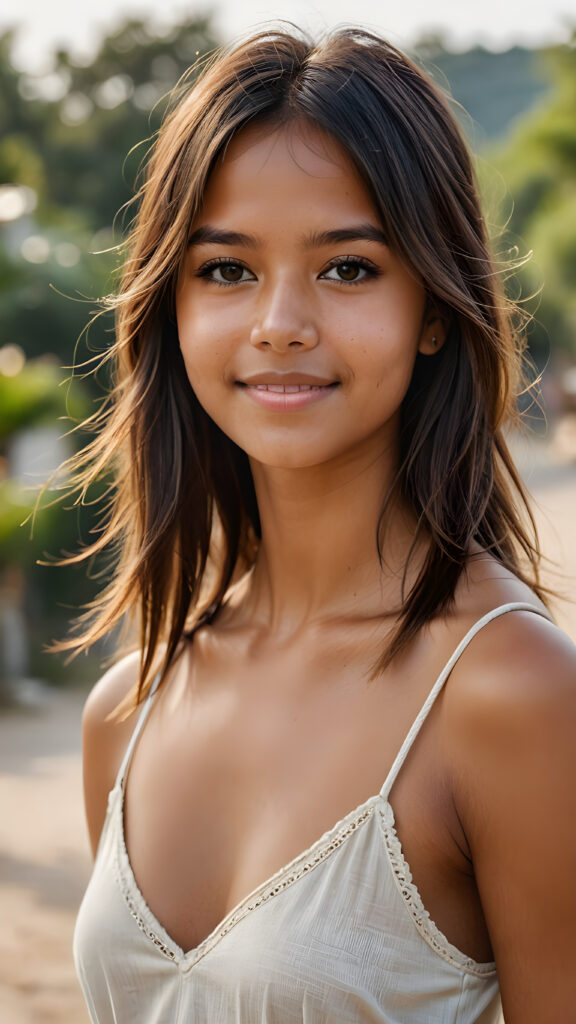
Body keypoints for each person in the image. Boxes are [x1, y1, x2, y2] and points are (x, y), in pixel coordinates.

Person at [70, 25, 576, 1024]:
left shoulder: (513, 694)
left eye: (347, 268)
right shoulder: (127, 709)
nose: (279, 322)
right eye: (226, 270)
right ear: (171, 304)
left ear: (433, 304)